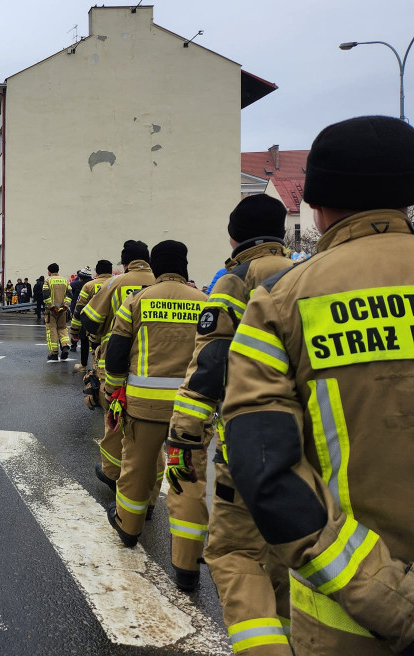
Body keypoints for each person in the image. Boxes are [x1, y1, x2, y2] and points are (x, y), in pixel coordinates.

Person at [223, 116, 414, 656]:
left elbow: (265, 470)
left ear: (318, 204)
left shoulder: (283, 301)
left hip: (349, 622)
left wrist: (390, 600)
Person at [165, 194, 293, 650]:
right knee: (286, 553)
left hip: (251, 442)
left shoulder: (235, 281)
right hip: (313, 442)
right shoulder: (303, 274)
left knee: (236, 552)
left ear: (234, 236)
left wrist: (185, 433)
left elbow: (211, 362)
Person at [102, 240, 208, 591]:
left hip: (144, 406)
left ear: (156, 265)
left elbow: (116, 354)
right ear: (185, 263)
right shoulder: (205, 303)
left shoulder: (138, 300)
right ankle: (188, 564)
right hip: (190, 409)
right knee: (188, 479)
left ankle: (129, 528)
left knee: (137, 467)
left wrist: (113, 390)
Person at [81, 241, 155, 490]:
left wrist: (97, 340)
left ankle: (113, 473)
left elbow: (90, 320)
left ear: (124, 263)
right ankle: (146, 482)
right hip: (152, 366)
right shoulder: (161, 282)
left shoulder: (115, 282)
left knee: (114, 417)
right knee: (147, 427)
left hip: (115, 362)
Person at [71, 261, 114, 372]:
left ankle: (85, 366)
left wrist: (74, 331)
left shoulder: (89, 285)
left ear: (97, 272)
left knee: (88, 343)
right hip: (115, 324)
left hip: (92, 323)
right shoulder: (118, 283)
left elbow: (79, 309)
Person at [42, 263, 73, 361]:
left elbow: (45, 295)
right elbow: (70, 294)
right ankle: (65, 346)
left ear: (49, 271)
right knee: (62, 328)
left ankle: (54, 353)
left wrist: (51, 306)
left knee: (52, 330)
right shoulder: (65, 281)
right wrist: (65, 306)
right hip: (63, 310)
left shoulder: (48, 280)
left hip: (52, 311)